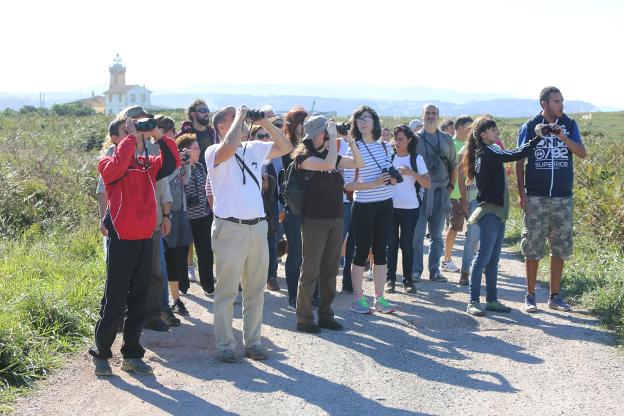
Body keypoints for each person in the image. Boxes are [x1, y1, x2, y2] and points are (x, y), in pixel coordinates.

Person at [89, 115, 179, 376]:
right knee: (115, 302)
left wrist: (158, 136)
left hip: (144, 238)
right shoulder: (107, 163)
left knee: (139, 301)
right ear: (116, 138)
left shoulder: (147, 165)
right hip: (121, 241)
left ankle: (131, 354)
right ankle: (102, 354)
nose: (131, 132)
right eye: (124, 130)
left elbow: (171, 163)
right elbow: (117, 168)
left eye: (133, 130)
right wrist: (130, 137)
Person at [206, 106, 293, 363]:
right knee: (227, 290)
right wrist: (241, 117)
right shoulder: (214, 151)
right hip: (229, 228)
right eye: (233, 117)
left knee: (255, 290)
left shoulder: (255, 147)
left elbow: (286, 147)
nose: (241, 120)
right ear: (221, 126)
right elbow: (230, 147)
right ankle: (224, 345)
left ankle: (253, 342)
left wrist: (265, 123)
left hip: (257, 227)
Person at [463, 116, 544, 316]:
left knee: (493, 260)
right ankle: (473, 301)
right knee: (482, 259)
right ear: (483, 135)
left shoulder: (487, 151)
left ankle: (491, 300)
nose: (497, 132)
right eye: (493, 130)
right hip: (490, 211)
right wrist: (537, 138)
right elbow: (517, 153)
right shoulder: (489, 151)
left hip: (497, 211)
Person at [516, 86, 587, 313]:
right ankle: (530, 296)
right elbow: (519, 160)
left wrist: (562, 136)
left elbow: (581, 153)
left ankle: (555, 296)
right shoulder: (529, 126)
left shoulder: (570, 124)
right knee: (532, 247)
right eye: (557, 101)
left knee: (560, 248)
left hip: (562, 197)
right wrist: (521, 192)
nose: (561, 105)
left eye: (562, 101)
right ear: (544, 104)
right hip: (536, 196)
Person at [293, 116, 364, 333]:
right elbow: (327, 164)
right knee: (310, 270)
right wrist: (334, 140)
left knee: (330, 269)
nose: (328, 135)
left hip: (335, 218)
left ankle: (326, 315)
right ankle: (304, 319)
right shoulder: (303, 158)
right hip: (314, 220)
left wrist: (349, 139)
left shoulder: (330, 155)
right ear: (315, 134)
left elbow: (358, 163)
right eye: (325, 132)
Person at [343, 106, 396, 314]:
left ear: (374, 121)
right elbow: (348, 185)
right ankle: (358, 299)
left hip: (385, 204)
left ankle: (379, 299)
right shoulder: (353, 147)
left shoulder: (385, 147)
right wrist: (374, 183)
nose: (362, 122)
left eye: (366, 118)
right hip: (363, 205)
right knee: (361, 251)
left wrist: (392, 179)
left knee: (381, 251)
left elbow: (388, 177)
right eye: (358, 119)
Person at [412, 104, 458, 282]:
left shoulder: (447, 139)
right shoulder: (414, 139)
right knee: (417, 236)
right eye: (428, 113)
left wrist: (451, 187)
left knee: (437, 236)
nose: (431, 116)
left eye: (434, 113)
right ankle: (416, 270)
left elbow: (453, 165)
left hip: (441, 192)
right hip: (419, 193)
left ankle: (435, 270)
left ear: (438, 116)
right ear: (422, 115)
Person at [385, 125, 430, 294]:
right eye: (395, 139)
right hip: (390, 207)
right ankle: (390, 280)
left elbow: (427, 183)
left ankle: (408, 280)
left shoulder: (416, 159)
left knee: (407, 245)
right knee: (391, 245)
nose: (397, 142)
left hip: (410, 208)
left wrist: (411, 173)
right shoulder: (389, 157)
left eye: (401, 139)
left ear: (409, 140)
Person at [177, 133, 216, 297]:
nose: (199, 150)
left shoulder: (200, 166)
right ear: (185, 150)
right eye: (195, 148)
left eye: (199, 147)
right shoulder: (179, 169)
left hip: (203, 216)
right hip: (186, 217)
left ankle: (208, 286)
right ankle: (182, 286)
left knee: (206, 252)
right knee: (182, 251)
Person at [280, 107, 309, 309]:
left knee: (311, 255)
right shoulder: (286, 146)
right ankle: (292, 296)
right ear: (293, 124)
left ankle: (310, 296)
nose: (305, 125)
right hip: (293, 207)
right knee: (296, 254)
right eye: (302, 121)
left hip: (312, 206)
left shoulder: (312, 143)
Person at [164, 133, 194, 316]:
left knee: (182, 253)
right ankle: (174, 299)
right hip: (167, 214)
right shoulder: (158, 156)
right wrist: (176, 164)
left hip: (180, 211)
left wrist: (186, 164)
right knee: (172, 257)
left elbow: (185, 180)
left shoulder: (175, 156)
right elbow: (163, 181)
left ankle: (178, 292)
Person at [441, 116, 474, 275]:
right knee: (454, 227)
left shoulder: (469, 145)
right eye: (469, 128)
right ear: (459, 128)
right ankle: (446, 260)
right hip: (455, 194)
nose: (471, 131)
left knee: (474, 228)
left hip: (469, 194)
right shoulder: (452, 145)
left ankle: (474, 259)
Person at [250, 124, 281, 292]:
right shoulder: (247, 158)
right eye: (260, 136)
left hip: (270, 206)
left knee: (271, 240)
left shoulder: (270, 158)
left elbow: (276, 188)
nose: (264, 139)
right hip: (252, 208)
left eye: (266, 136)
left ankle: (271, 276)